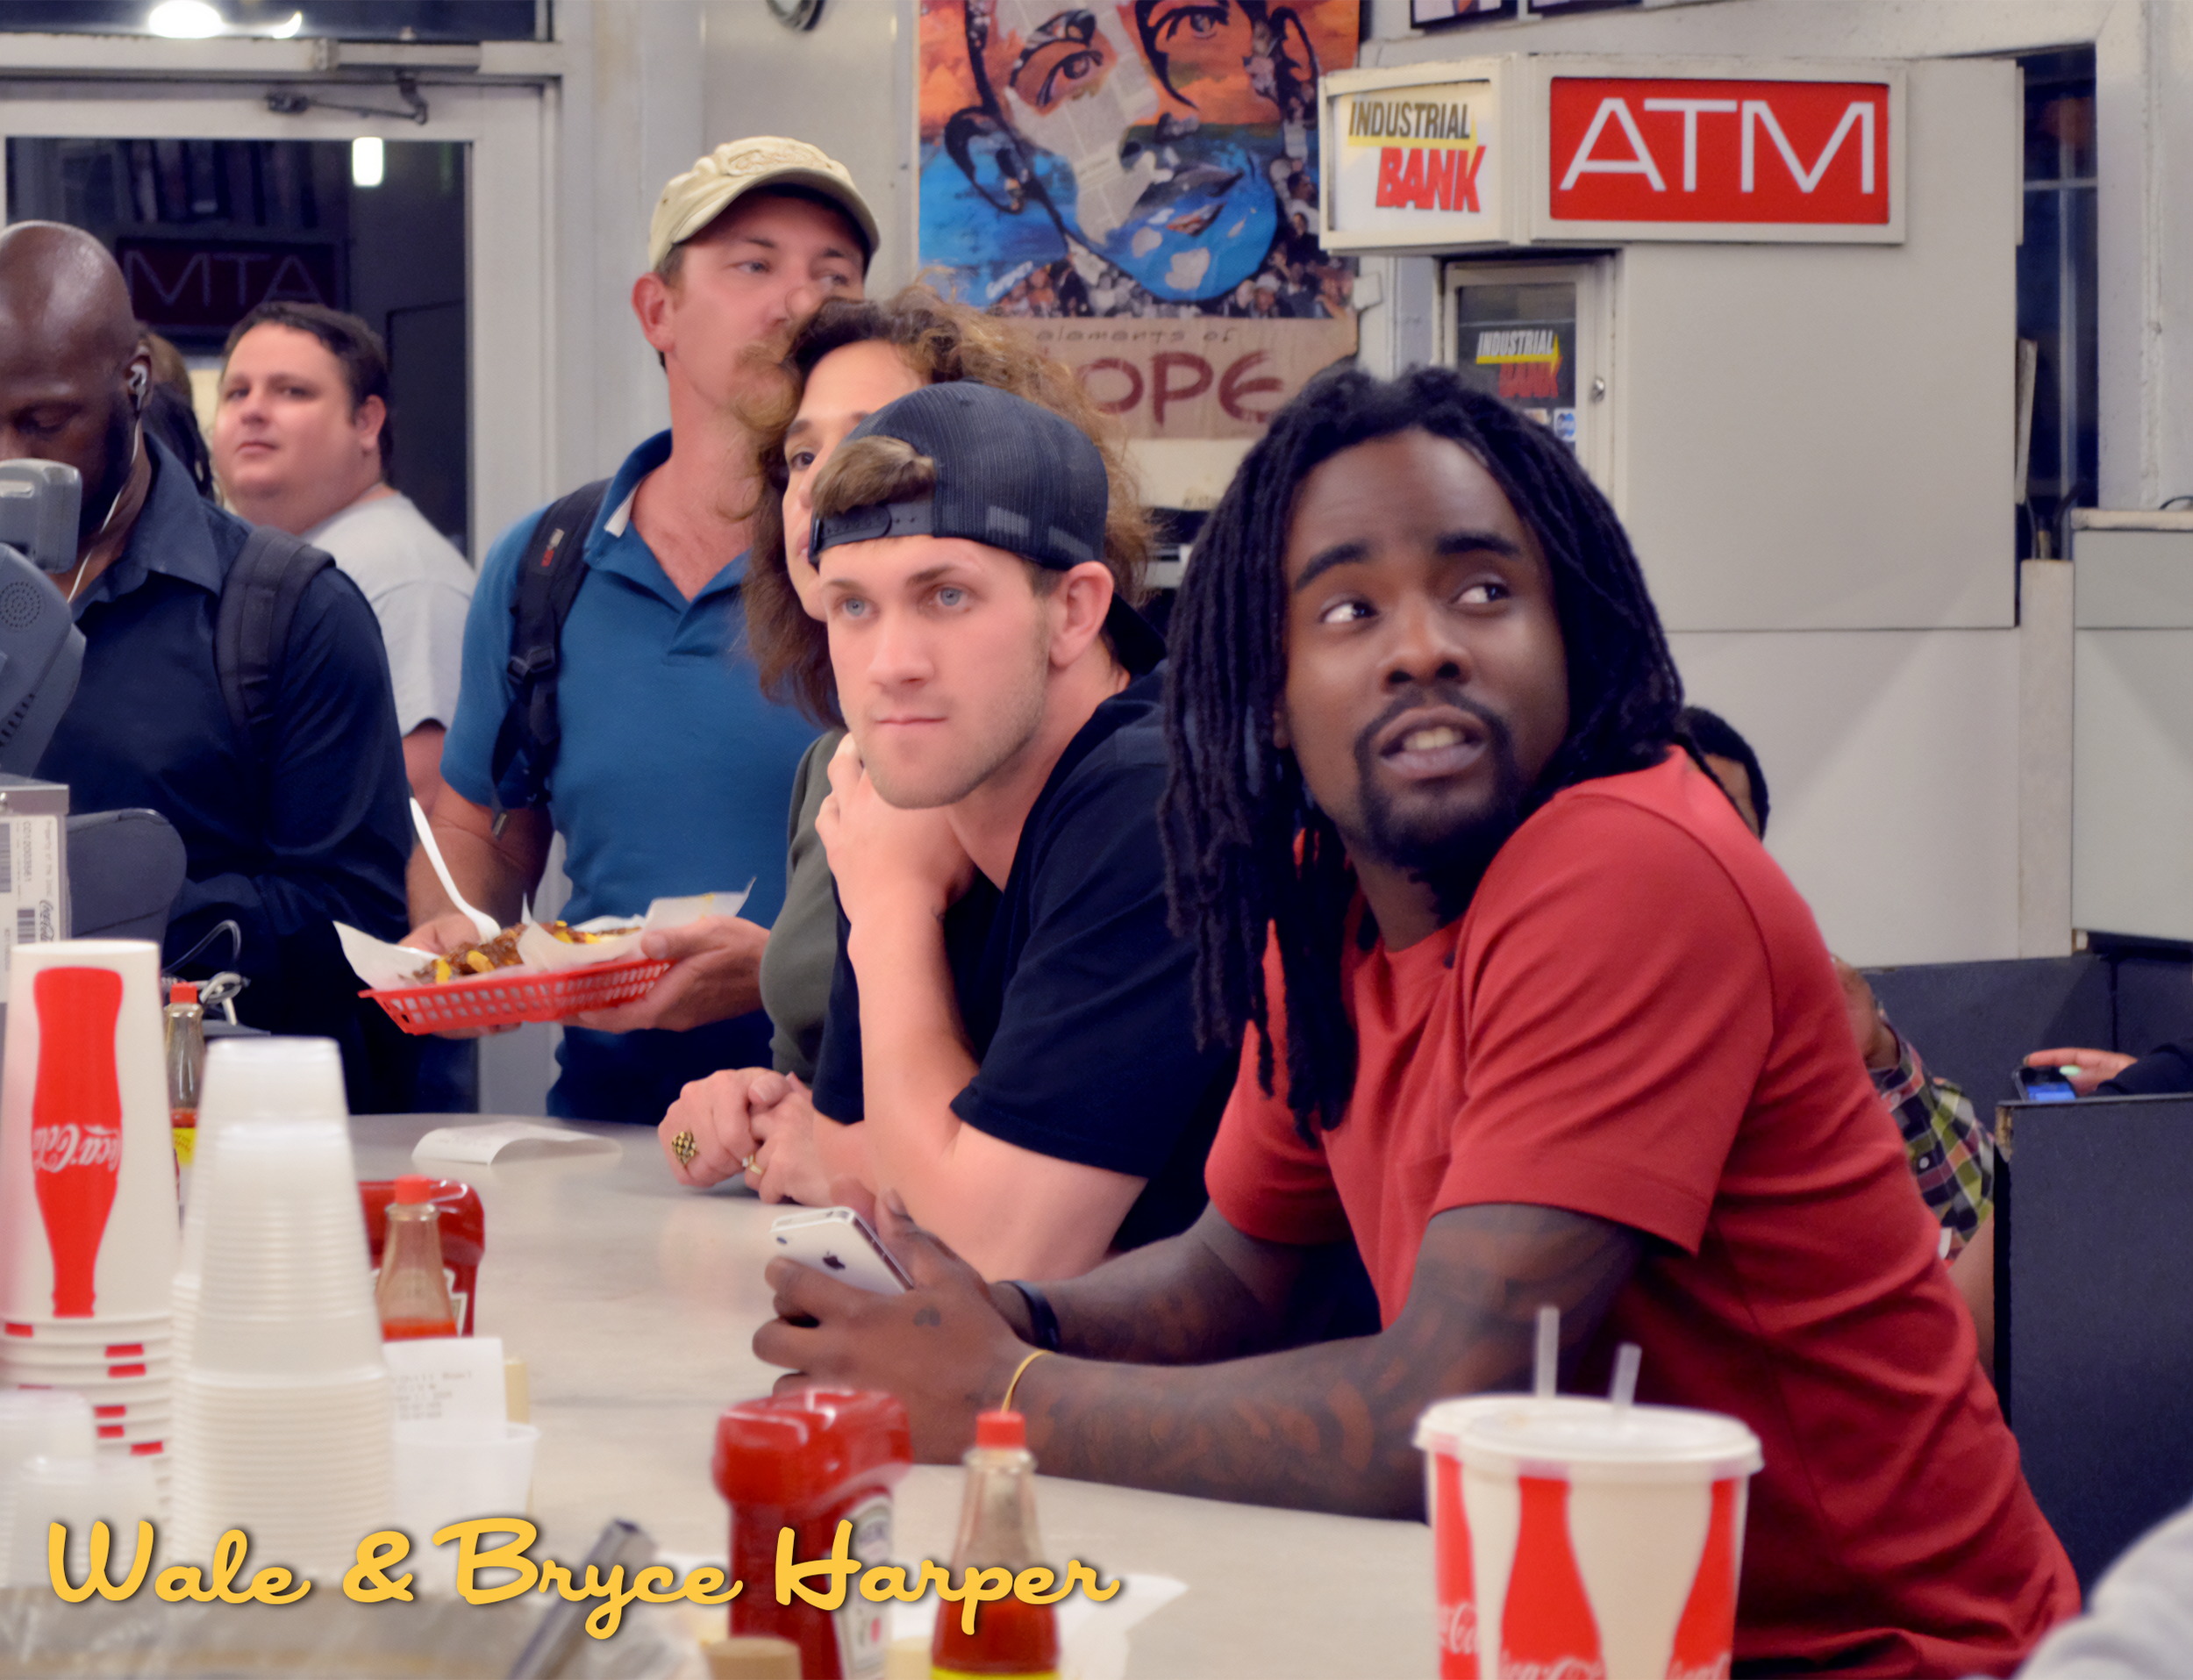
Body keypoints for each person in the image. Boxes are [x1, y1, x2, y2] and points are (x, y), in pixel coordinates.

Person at [754, 366, 2079, 1674]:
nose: (1424, 641)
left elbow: (1450, 1404)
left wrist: (1003, 1388)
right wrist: (999, 1313)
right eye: (1345, 608)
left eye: (1485, 589)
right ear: (1268, 686)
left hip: (1888, 1658)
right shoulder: (1329, 891)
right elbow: (1233, 1271)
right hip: (1571, 1630)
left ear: (1573, 634)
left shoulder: (1627, 864)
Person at [669, 381, 1227, 1282]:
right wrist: (916, 1176)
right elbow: (857, 1176)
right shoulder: (913, 783)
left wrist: (891, 905)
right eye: (855, 605)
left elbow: (990, 1252)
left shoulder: (1160, 799)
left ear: (1076, 612)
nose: (892, 666)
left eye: (947, 597)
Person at [409, 138, 877, 1123]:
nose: (799, 302)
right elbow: (481, 822)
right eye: (754, 264)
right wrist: (458, 925)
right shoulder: (548, 562)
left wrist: (785, 973)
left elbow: (1005, 877)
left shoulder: (896, 561)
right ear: (656, 311)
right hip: (611, 1123)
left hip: (851, 1123)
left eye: (833, 275)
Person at [630, 286, 1155, 1082]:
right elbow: (812, 1093)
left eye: (879, 441)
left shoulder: (1094, 777)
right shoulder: (842, 768)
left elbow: (999, 1179)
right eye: (802, 456)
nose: (825, 485)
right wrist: (730, 1127)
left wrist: (854, 1155)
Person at [0, 222, 412, 1106]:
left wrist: (109, 922)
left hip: (217, 1140)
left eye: (44, 422)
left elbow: (360, 927)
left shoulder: (288, 613)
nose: (10, 460)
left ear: (134, 386)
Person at [1679, 706, 1997, 1264]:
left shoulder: (1804, 1000)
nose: (1701, 848)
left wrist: (1882, 1059)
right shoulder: (1602, 1027)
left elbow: (1977, 1218)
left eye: (1727, 823)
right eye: (1677, 817)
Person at [211, 302, 475, 812]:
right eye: (237, 392)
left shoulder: (402, 577)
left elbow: (423, 812)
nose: (253, 410)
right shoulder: (269, 562)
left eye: (293, 391)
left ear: (366, 422)